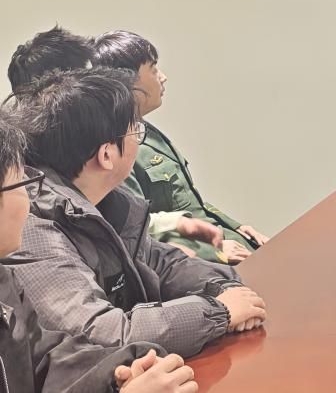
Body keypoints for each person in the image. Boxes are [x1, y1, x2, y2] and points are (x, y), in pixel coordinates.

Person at [4, 68, 266, 357]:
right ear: (106, 155)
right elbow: (101, 334)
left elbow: (161, 263)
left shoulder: (107, 201)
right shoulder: (34, 230)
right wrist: (219, 312)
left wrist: (222, 288)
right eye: (136, 131)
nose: (138, 140)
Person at [0, 111, 198, 393]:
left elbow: (48, 361)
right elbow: (100, 329)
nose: (30, 198)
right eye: (21, 183)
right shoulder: (40, 238)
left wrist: (118, 372)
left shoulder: (4, 281)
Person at [6, 27, 223, 259]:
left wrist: (172, 229)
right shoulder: (37, 180)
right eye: (89, 79)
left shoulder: (95, 149)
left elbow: (121, 217)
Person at [92, 31, 268, 264]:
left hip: (220, 239)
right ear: (128, 81)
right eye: (153, 69)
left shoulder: (147, 132)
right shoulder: (117, 149)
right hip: (195, 261)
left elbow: (190, 201)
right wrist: (213, 252)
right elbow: (136, 229)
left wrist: (237, 228)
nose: (163, 77)